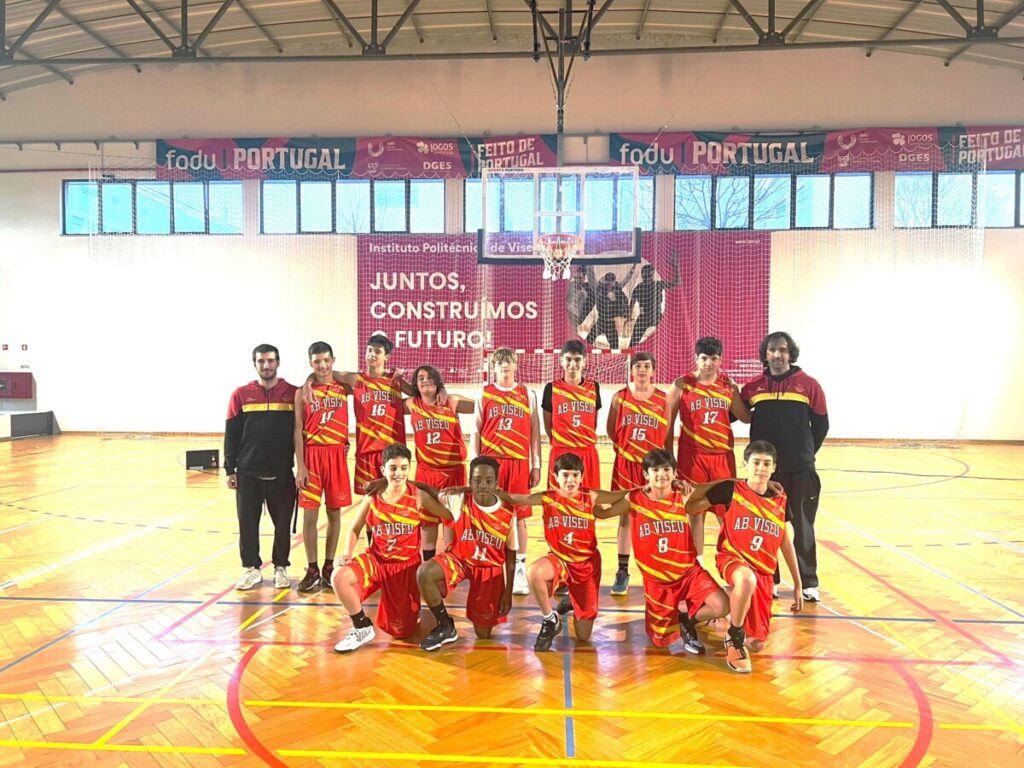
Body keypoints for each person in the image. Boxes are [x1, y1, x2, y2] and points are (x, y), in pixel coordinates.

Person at [685, 440, 804, 673]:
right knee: (746, 580)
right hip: (732, 558)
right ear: (745, 464)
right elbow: (691, 508)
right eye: (756, 462)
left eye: (766, 464)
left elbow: (786, 544)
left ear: (774, 468)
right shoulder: (731, 490)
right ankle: (734, 636)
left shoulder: (780, 500)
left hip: (763, 570)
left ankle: (691, 613)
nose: (761, 468)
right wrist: (716, 485)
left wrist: (799, 585)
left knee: (758, 643)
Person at [497, 453, 634, 652]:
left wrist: (649, 488)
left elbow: (619, 495)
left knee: (583, 636)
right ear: (555, 477)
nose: (570, 480)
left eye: (575, 475)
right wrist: (470, 488)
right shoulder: (548, 498)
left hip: (586, 565)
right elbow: (514, 498)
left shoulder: (591, 496)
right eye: (565, 475)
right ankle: (550, 619)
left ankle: (573, 600)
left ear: (582, 477)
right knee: (534, 572)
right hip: (559, 561)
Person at [602, 449, 729, 653]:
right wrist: (571, 500)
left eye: (667, 469)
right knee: (660, 642)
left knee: (722, 605)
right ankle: (677, 613)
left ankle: (688, 620)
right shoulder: (634, 499)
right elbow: (602, 512)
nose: (661, 474)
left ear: (675, 473)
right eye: (655, 470)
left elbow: (715, 487)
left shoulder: (682, 494)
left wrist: (750, 482)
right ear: (646, 474)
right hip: (657, 581)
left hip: (688, 573)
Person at [330, 443, 453, 653]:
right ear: (383, 470)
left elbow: (448, 517)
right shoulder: (372, 496)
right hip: (376, 560)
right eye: (393, 468)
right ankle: (361, 626)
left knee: (400, 632)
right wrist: (347, 553)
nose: (399, 473)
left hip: (405, 568)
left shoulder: (417, 496)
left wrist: (443, 557)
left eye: (404, 468)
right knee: (338, 577)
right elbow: (355, 528)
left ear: (409, 468)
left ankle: (409, 610)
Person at [740, 331, 828, 603]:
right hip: (765, 472)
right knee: (766, 526)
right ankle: (771, 579)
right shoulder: (753, 387)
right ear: (764, 355)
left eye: (782, 350)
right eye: (772, 350)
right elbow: (737, 414)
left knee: (803, 526)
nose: (777, 355)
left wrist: (805, 454)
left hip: (800, 469)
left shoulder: (809, 385)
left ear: (791, 354)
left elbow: (822, 425)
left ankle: (809, 582)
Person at [415, 456, 518, 650]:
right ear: (470, 482)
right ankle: (445, 625)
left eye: (488, 481)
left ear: (496, 483)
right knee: (424, 573)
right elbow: (428, 490)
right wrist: (385, 481)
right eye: (477, 481)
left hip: (489, 569)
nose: (483, 485)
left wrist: (508, 592)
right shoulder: (459, 499)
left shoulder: (508, 513)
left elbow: (511, 558)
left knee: (483, 633)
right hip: (460, 559)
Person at [224, 344, 298, 591]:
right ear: (254, 364)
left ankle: (280, 567)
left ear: (278, 362)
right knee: (247, 524)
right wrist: (229, 469)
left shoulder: (293, 393)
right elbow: (231, 434)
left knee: (283, 524)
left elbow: (301, 432)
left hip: (282, 473)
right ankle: (251, 568)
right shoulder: (240, 394)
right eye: (261, 361)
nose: (266, 365)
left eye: (270, 361)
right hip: (248, 473)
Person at [303, 333, 411, 495]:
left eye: (377, 351)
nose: (372, 354)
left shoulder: (395, 380)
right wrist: (308, 382)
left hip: (392, 452)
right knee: (368, 502)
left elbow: (419, 395)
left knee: (394, 498)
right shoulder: (355, 379)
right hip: (365, 452)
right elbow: (324, 372)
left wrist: (404, 380)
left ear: (386, 356)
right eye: (369, 350)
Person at [474, 347, 541, 596]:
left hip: (518, 461)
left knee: (520, 516)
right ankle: (487, 564)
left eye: (508, 362)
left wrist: (536, 465)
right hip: (491, 463)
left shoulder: (528, 394)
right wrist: (475, 464)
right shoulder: (485, 393)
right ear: (493, 367)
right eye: (499, 363)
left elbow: (535, 433)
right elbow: (477, 431)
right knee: (488, 514)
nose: (504, 366)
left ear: (516, 365)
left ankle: (520, 569)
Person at [606, 351, 668, 596]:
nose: (642, 370)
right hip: (625, 464)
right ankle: (622, 570)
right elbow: (611, 430)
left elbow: (666, 433)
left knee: (653, 518)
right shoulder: (620, 397)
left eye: (646, 365)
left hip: (651, 469)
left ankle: (654, 570)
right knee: (625, 517)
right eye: (638, 366)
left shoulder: (663, 399)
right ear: (631, 370)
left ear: (653, 370)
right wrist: (625, 448)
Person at [293, 341, 351, 593]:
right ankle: (312, 567)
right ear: (310, 363)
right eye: (317, 361)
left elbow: (358, 377)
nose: (322, 365)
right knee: (310, 514)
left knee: (335, 512)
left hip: (336, 454)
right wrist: (301, 465)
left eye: (326, 360)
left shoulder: (343, 387)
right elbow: (297, 429)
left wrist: (322, 375)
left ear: (333, 360)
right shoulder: (302, 392)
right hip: (313, 455)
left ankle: (328, 566)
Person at [665, 336, 749, 496]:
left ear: (720, 360)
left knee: (725, 508)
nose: (709, 363)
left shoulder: (728, 385)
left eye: (714, 358)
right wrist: (669, 455)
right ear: (696, 359)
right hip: (692, 456)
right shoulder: (681, 385)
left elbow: (745, 417)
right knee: (694, 510)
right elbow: (667, 425)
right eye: (704, 358)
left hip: (722, 456)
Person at [405, 365, 474, 560]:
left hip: (453, 473)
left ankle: (449, 565)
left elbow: (481, 406)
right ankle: (427, 564)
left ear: (438, 381)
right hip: (426, 472)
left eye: (430, 377)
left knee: (450, 523)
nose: (426, 380)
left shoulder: (451, 401)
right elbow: (389, 396)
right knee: (427, 524)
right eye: (421, 378)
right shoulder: (412, 404)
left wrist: (448, 392)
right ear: (415, 384)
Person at [542, 339, 602, 489]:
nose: (573, 364)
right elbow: (547, 424)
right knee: (558, 502)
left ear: (584, 362)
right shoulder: (551, 388)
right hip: (561, 451)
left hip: (586, 451)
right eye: (568, 359)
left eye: (577, 360)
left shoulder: (594, 387)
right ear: (561, 361)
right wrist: (559, 441)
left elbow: (594, 422)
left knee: (588, 501)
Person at [626, 257, 681, 347]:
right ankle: (629, 358)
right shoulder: (638, 288)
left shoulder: (658, 284)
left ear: (652, 275)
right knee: (633, 342)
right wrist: (629, 316)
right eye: (645, 276)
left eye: (649, 276)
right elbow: (631, 303)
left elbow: (677, 282)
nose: (647, 278)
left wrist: (676, 267)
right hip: (643, 318)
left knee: (670, 338)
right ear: (642, 276)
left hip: (657, 316)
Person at [587, 271, 631, 350]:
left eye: (611, 281)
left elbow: (626, 280)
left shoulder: (618, 289)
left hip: (611, 323)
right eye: (608, 281)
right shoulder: (599, 289)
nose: (609, 284)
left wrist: (633, 268)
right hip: (600, 322)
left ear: (614, 282)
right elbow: (591, 278)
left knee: (615, 347)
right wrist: (589, 265)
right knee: (588, 340)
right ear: (605, 281)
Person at [566, 266, 595, 331]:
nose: (578, 280)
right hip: (570, 313)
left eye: (580, 278)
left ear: (584, 278)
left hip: (578, 314)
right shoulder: (571, 286)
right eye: (576, 278)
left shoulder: (585, 289)